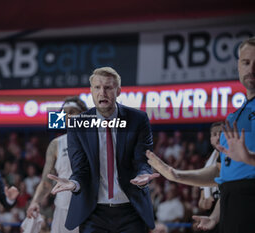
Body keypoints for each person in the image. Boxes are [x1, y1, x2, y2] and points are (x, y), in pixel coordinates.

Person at [147, 36, 255, 233]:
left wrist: (249, 158)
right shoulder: (233, 117)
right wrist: (176, 174)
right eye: (246, 62)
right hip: (232, 208)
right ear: (238, 66)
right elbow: (221, 173)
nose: (251, 69)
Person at [48, 67, 159, 232]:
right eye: (98, 88)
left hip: (131, 210)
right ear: (91, 91)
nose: (102, 92)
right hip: (93, 212)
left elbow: (141, 160)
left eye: (108, 87)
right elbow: (80, 168)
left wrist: (143, 174)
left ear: (118, 91)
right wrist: (74, 183)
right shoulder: (77, 124)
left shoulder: (138, 119)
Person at [26, 96, 87, 233]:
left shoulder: (96, 141)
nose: (69, 116)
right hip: (62, 209)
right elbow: (46, 182)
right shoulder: (57, 144)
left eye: (73, 111)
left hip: (90, 209)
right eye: (65, 113)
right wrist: (35, 202)